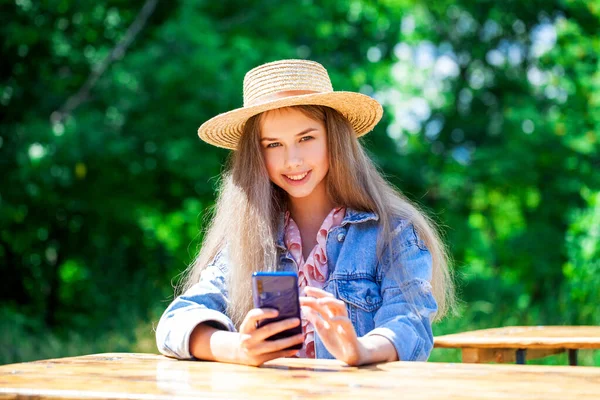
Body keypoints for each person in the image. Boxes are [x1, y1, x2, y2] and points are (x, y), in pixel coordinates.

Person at [155, 59, 455, 367]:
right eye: (273, 144)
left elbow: (410, 323)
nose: (292, 160)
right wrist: (238, 348)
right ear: (256, 154)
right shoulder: (248, 238)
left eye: (306, 138)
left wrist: (361, 350)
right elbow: (175, 323)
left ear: (333, 138)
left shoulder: (393, 232)